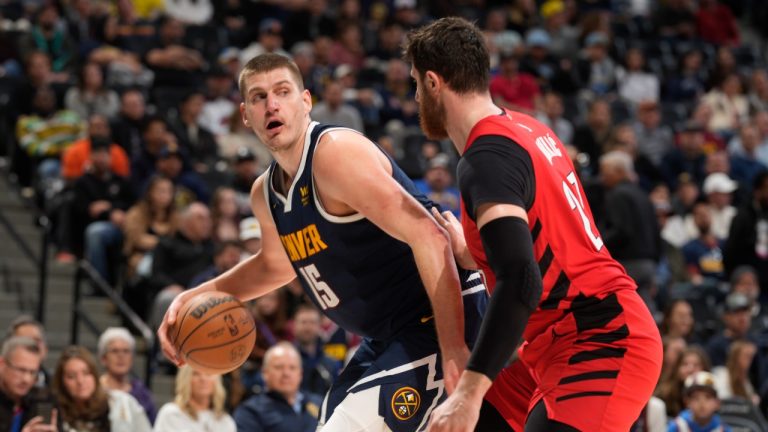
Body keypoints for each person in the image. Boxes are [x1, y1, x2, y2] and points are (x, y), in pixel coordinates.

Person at [158, 52, 487, 431]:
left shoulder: (333, 155)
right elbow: (276, 266)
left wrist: (452, 348)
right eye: (259, 97)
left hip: (440, 318)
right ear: (245, 115)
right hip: (387, 335)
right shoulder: (264, 192)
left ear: (306, 101)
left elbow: (430, 236)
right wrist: (196, 294)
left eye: (282, 91)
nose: (272, 104)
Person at [403, 17, 662, 431]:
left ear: (434, 82)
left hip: (600, 337)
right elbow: (549, 240)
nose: (415, 97)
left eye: (416, 84)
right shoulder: (528, 128)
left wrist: (469, 393)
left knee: (465, 410)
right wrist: (472, 253)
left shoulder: (486, 157)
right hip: (557, 342)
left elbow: (522, 279)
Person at [53, 346, 151, 432]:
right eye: (71, 376)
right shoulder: (56, 414)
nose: (80, 381)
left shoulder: (122, 403)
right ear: (62, 382)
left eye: (86, 373)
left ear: (95, 375)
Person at [233, 342, 322, 432]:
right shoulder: (250, 412)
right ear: (264, 373)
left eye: (292, 368)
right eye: (279, 367)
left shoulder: (320, 404)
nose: (286, 373)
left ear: (300, 374)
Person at [97, 328, 157, 424]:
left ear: (132, 358)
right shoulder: (94, 389)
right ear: (103, 358)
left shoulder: (142, 393)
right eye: (114, 351)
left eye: (126, 351)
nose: (121, 356)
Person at [0, 337, 59, 432]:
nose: (26, 379)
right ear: (2, 364)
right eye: (21, 370)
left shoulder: (43, 400)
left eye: (32, 372)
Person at [153, 365, 235, 432]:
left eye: (208, 374)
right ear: (186, 379)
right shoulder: (172, 413)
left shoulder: (226, 421)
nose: (203, 378)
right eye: (196, 374)